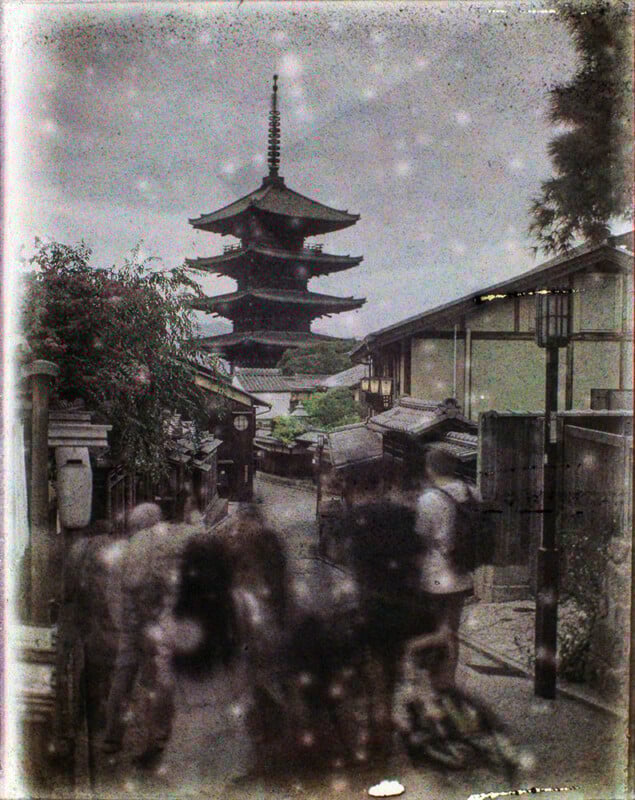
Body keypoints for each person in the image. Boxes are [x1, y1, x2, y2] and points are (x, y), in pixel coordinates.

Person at [415, 444, 482, 691]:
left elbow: (422, 536)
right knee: (452, 629)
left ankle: (436, 679)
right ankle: (449, 679)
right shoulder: (472, 492)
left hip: (434, 575)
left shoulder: (429, 499)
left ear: (431, 469)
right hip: (462, 571)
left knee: (434, 628)